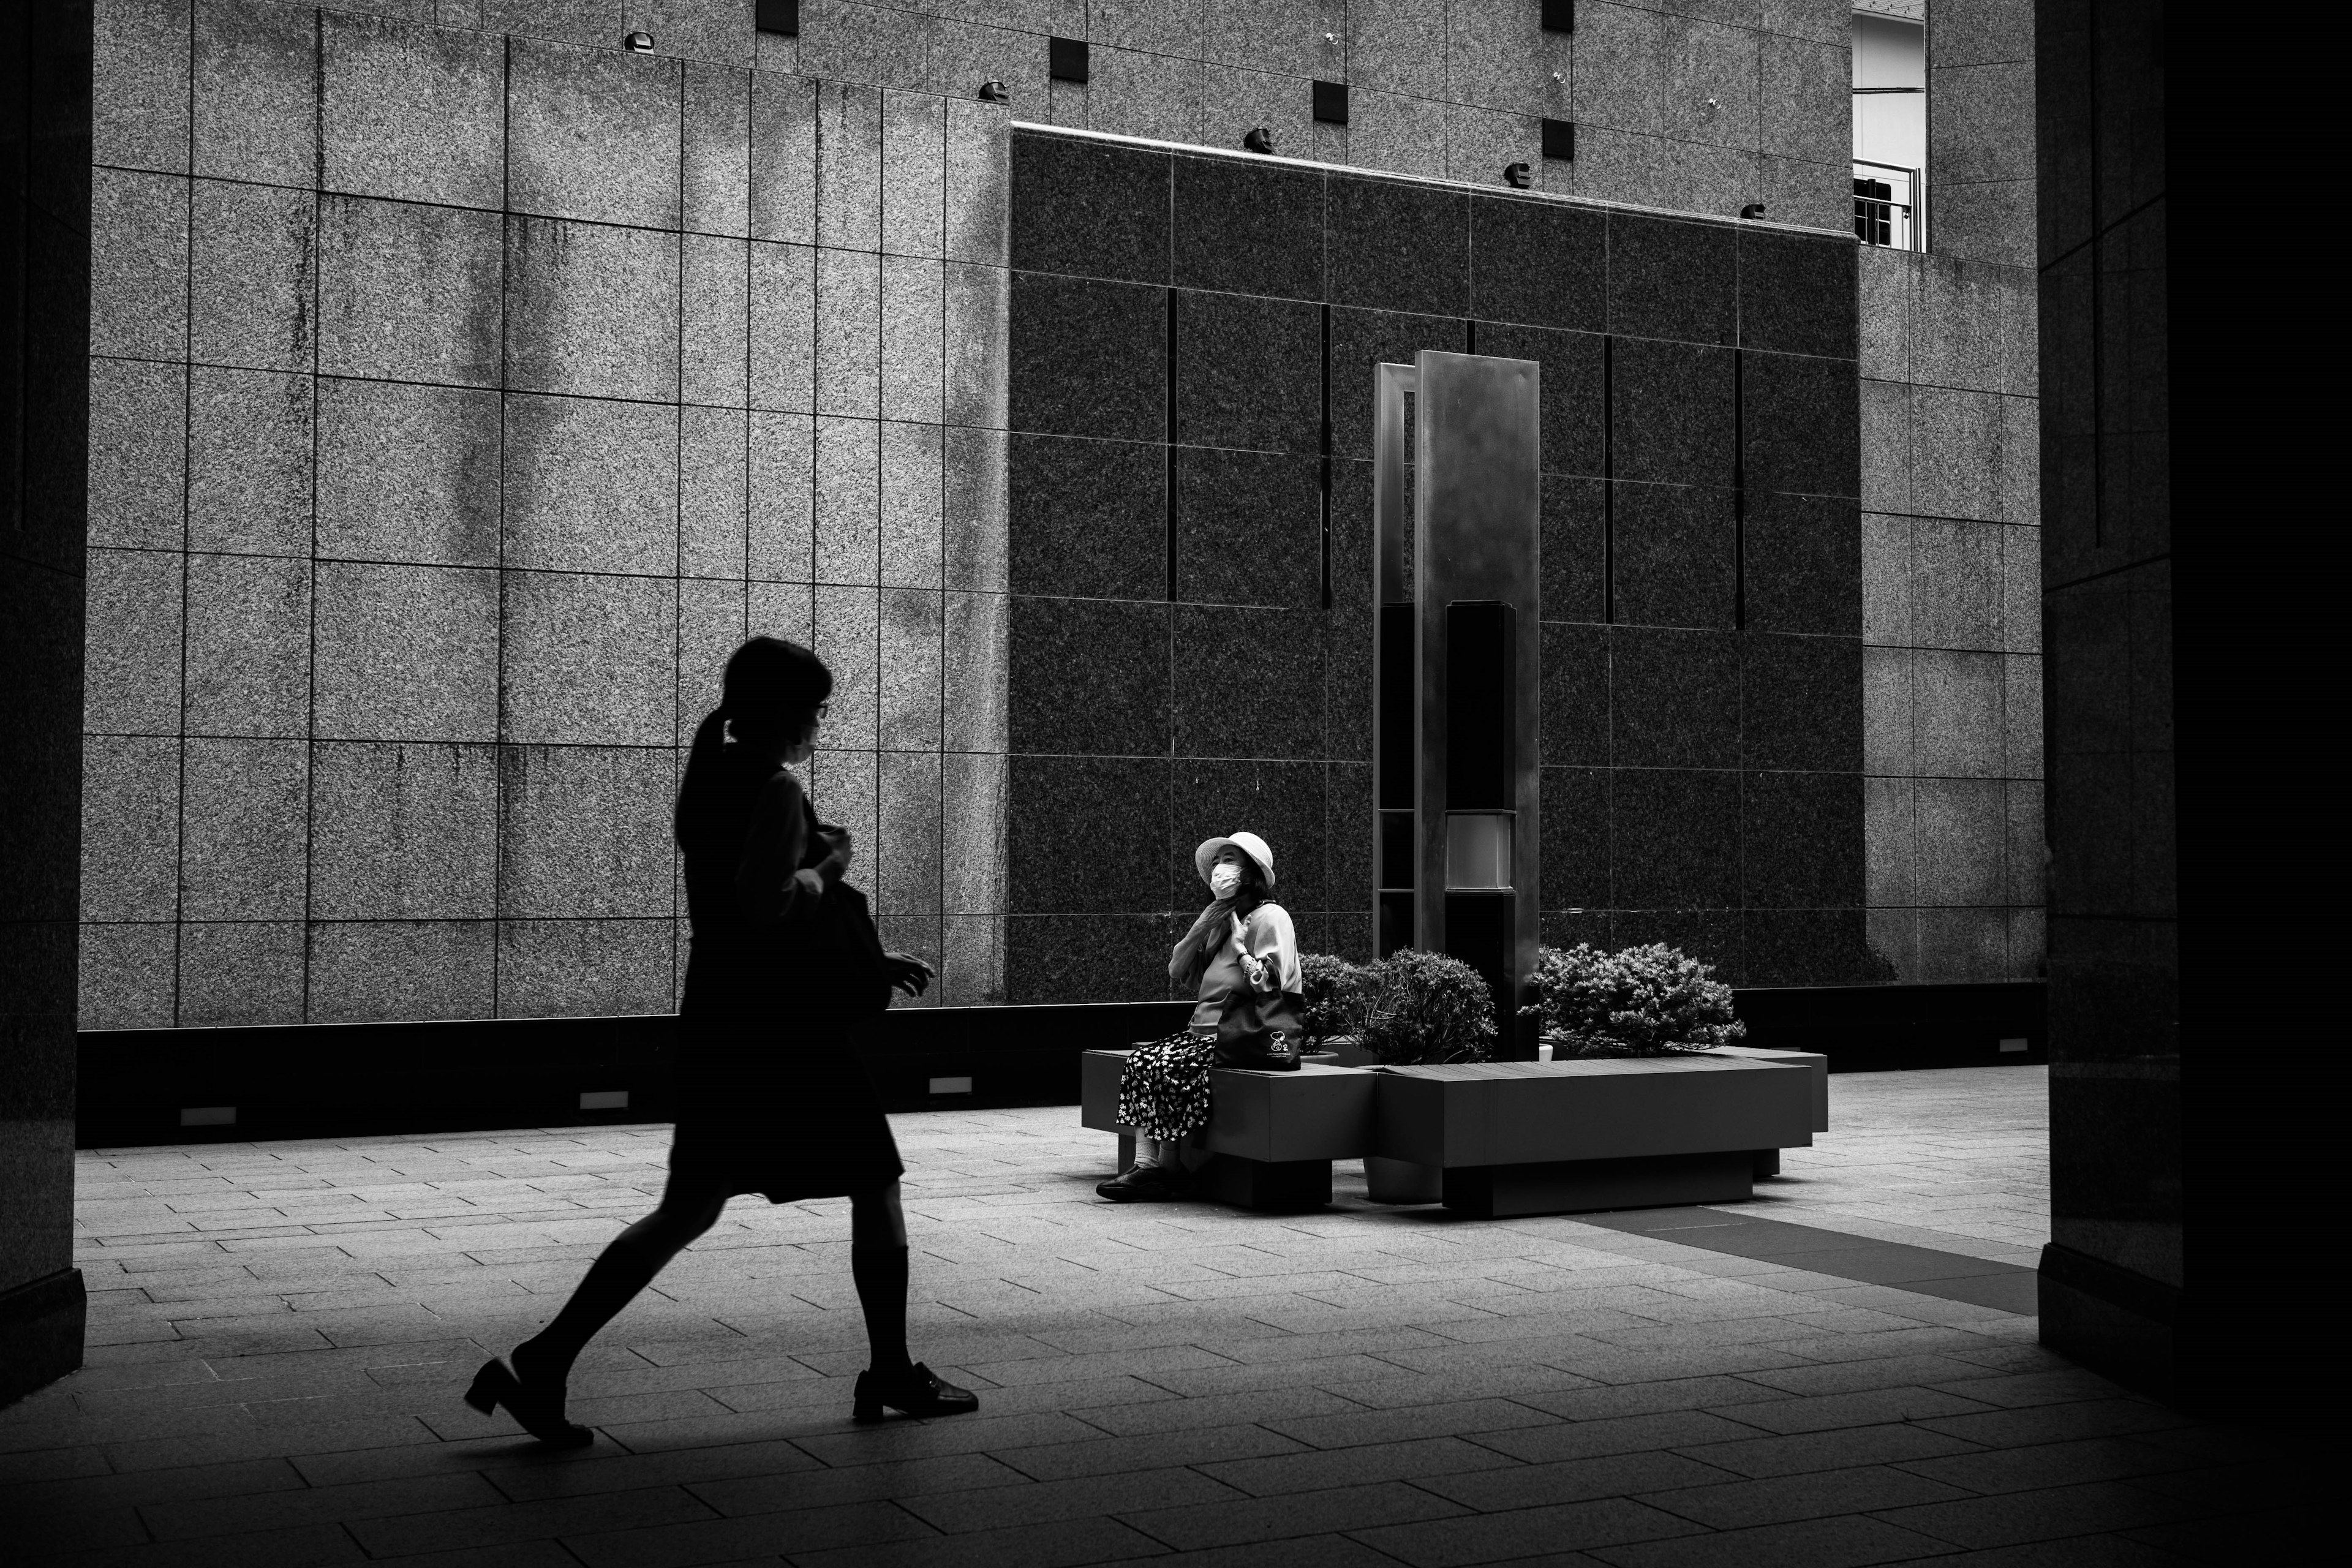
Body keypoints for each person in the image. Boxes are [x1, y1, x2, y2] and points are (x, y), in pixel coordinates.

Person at [464, 636, 978, 1446]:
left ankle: (547, 1358)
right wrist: (829, 867)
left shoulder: (709, 776)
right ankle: (889, 1370)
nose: (818, 723)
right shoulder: (774, 789)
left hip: (722, 1018)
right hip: (783, 1035)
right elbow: (764, 908)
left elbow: (733, 920)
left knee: (687, 1208)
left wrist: (862, 948)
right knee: (876, 1182)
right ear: (780, 709)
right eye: (814, 708)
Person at [1096, 832, 1302, 1202]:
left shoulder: (1272, 917)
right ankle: (1156, 1167)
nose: (1219, 868)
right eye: (1218, 861)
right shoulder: (1222, 920)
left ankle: (1163, 1168)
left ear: (1252, 872)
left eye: (1230, 860)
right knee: (1143, 1061)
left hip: (1240, 1035)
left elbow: (1270, 985)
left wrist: (1240, 949)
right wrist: (1207, 920)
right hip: (1203, 1032)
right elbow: (1177, 969)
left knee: (1170, 1066)